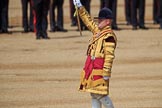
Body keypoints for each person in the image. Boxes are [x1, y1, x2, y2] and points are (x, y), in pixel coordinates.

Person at [73, 0, 117, 108]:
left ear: (107, 21)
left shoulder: (109, 36)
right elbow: (88, 21)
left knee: (100, 95)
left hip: (100, 70)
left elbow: (109, 57)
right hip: (92, 68)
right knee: (93, 94)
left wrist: (106, 73)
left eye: (101, 20)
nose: (98, 22)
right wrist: (80, 7)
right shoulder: (99, 31)